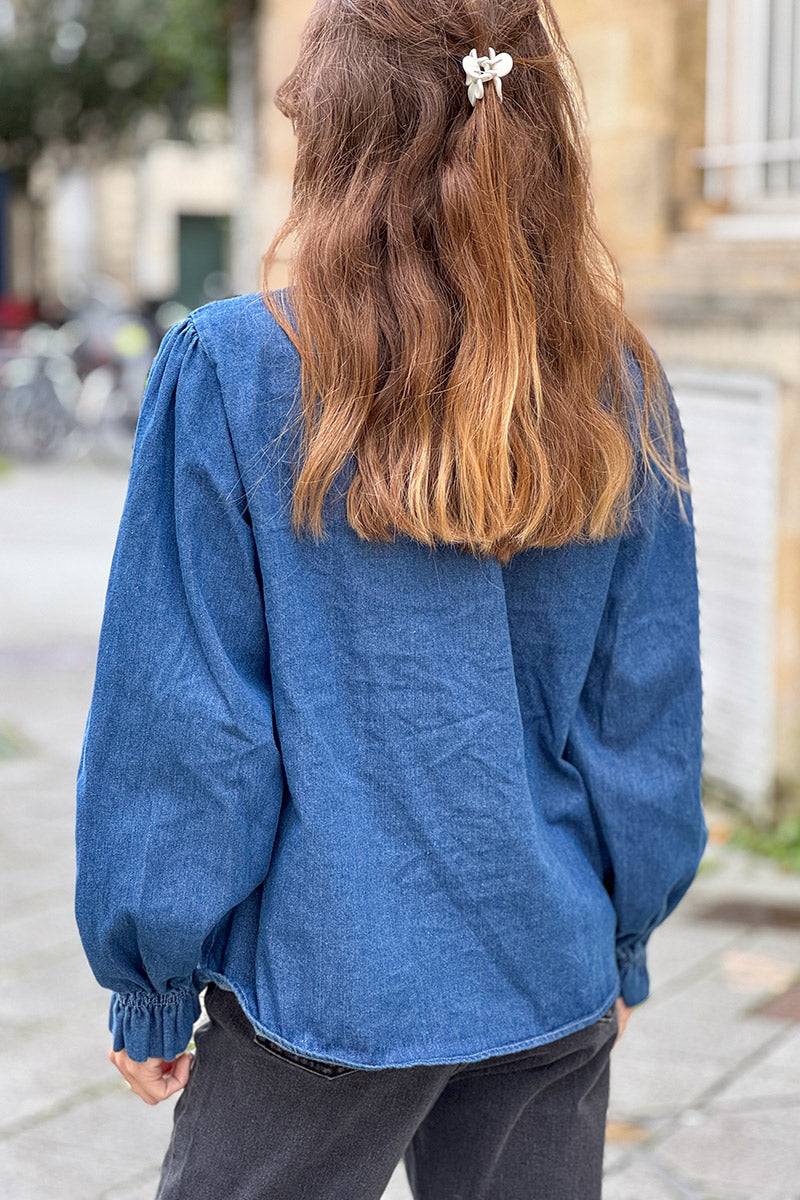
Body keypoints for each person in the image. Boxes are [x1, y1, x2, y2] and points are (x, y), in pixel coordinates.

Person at [74, 1, 707, 1197]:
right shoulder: (616, 381)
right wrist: (621, 940)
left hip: (326, 985)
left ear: (340, 142)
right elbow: (643, 710)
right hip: (548, 961)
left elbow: (187, 722)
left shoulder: (233, 367)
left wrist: (149, 976)